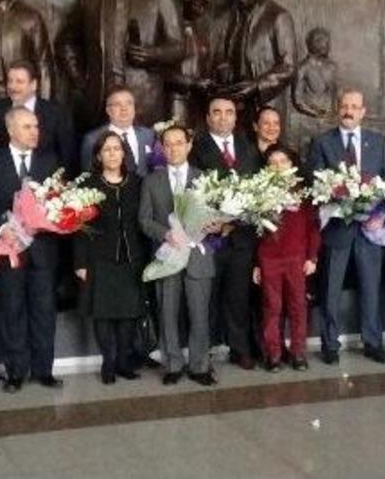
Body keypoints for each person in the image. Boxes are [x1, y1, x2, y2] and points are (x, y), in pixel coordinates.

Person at [57, 0, 184, 129]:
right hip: (98, 100)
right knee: (96, 157)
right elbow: (66, 42)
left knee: (146, 159)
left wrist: (153, 54)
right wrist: (81, 81)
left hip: (145, 99)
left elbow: (179, 47)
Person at [0, 107, 63, 393]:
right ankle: (16, 372)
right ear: (11, 130)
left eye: (36, 126)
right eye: (27, 127)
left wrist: (48, 219)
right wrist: (2, 229)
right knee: (11, 311)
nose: (35, 131)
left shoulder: (49, 160)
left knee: (43, 312)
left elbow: (59, 203)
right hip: (9, 249)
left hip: (42, 250)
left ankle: (44, 371)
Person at [307, 89, 385, 364]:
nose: (348, 111)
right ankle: (329, 344)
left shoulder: (378, 142)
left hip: (369, 229)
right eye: (344, 106)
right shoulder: (322, 142)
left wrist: (379, 213)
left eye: (354, 106)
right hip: (337, 229)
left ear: (363, 111)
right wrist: (339, 198)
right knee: (330, 289)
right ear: (338, 109)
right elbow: (315, 183)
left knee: (371, 288)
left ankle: (373, 341)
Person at [139, 124, 218, 386]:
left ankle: (200, 366)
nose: (173, 148)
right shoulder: (151, 180)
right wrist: (166, 234)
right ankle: (172, 364)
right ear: (162, 148)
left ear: (189, 145)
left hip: (197, 257)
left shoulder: (204, 178)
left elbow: (216, 216)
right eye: (168, 144)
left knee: (199, 314)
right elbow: (144, 220)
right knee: (167, 312)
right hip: (167, 256)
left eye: (178, 142)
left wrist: (215, 224)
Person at [189, 96, 263, 370]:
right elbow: (191, 192)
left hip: (242, 239)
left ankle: (239, 348)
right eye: (216, 112)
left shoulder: (249, 148)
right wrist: (217, 221)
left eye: (228, 112)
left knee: (238, 296)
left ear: (235, 118)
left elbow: (259, 192)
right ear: (207, 118)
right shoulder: (196, 149)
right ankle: (203, 352)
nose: (223, 118)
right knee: (206, 298)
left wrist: (235, 222)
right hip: (209, 239)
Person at [75, 132, 146, 384]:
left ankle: (124, 362)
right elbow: (78, 227)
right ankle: (108, 361)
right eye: (107, 150)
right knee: (103, 313)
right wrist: (80, 263)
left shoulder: (137, 183)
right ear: (98, 155)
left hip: (132, 258)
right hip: (99, 258)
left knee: (128, 313)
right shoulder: (88, 186)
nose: (113, 154)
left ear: (124, 154)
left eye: (117, 149)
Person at [254, 144, 319, 371]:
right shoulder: (259, 192)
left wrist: (312, 257)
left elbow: (313, 227)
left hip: (297, 258)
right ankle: (273, 353)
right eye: (273, 163)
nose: (279, 166)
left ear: (292, 164)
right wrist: (256, 264)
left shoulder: (303, 191)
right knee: (272, 307)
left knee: (298, 306)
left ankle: (298, 352)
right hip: (269, 259)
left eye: (283, 161)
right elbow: (255, 231)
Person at [215, 0, 297, 124]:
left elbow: (289, 67)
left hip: (267, 105)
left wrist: (256, 86)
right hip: (239, 105)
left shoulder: (278, 17)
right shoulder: (235, 17)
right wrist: (225, 68)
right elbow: (228, 54)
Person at [0, 60, 76, 172]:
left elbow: (67, 155)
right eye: (10, 81)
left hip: (45, 181)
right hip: (4, 180)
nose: (13, 86)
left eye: (19, 82)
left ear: (33, 85)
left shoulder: (56, 113)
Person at [79, 86, 157, 176]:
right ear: (108, 111)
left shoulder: (148, 135)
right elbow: (87, 176)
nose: (124, 109)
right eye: (117, 104)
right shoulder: (92, 139)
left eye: (129, 103)